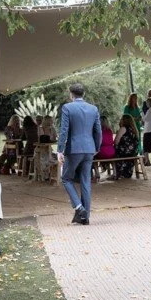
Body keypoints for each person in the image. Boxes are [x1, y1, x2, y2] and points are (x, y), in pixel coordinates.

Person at [57, 82, 101, 225]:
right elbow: (98, 131)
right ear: (84, 94)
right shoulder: (93, 109)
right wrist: (96, 147)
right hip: (89, 149)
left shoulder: (67, 108)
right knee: (85, 181)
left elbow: (64, 130)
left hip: (74, 149)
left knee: (66, 179)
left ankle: (79, 207)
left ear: (71, 94)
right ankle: (85, 218)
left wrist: (59, 150)